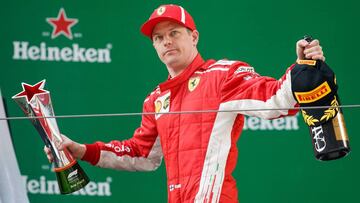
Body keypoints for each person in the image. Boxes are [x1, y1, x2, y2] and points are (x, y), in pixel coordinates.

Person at [45, 4, 325, 203]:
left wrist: (304, 68)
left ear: (194, 36)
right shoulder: (156, 99)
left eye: (174, 33)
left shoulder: (222, 75)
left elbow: (274, 99)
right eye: (158, 37)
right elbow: (142, 155)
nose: (166, 41)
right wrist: (82, 150)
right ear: (154, 46)